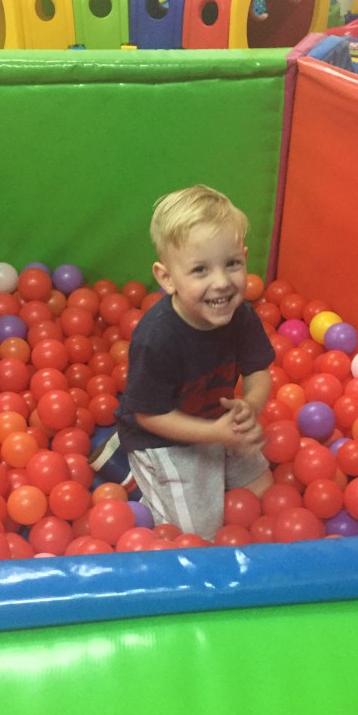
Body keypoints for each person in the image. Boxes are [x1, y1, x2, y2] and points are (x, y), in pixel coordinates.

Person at [115, 185, 274, 540]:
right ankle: (131, 470)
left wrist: (250, 405)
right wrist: (214, 435)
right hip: (161, 437)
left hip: (217, 423)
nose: (221, 283)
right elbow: (148, 415)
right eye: (200, 270)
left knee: (265, 493)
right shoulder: (157, 337)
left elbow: (258, 371)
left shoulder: (241, 315)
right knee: (197, 535)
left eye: (232, 264)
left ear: (245, 258)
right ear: (167, 278)